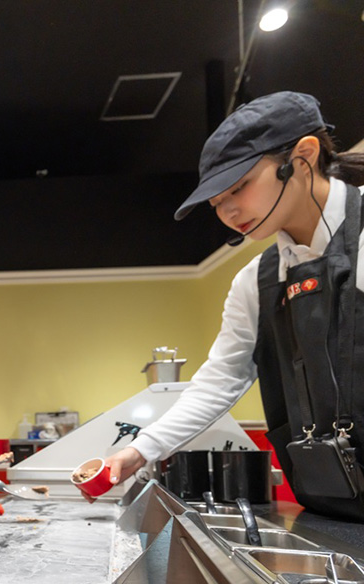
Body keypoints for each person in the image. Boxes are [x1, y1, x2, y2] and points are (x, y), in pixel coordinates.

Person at [99, 91, 364, 520]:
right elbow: (220, 380)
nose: (228, 211)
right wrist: (140, 450)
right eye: (216, 202)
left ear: (304, 156)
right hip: (328, 507)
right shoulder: (255, 282)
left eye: (238, 187)